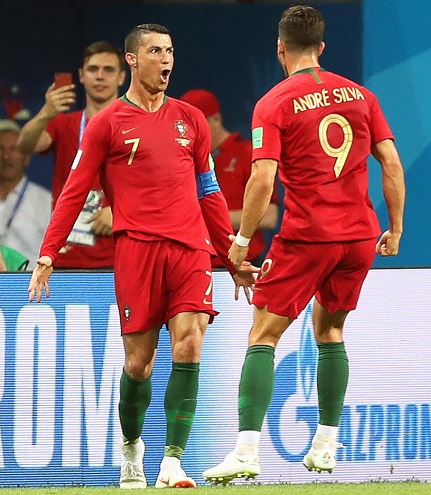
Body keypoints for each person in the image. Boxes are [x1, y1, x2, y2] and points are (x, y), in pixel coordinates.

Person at [26, 24, 252, 489]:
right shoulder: (108, 123)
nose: (165, 59)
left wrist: (231, 255)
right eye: (155, 51)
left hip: (190, 249)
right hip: (137, 251)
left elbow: (209, 193)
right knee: (138, 365)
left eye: (169, 51)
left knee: (189, 342)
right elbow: (73, 192)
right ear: (133, 59)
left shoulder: (190, 119)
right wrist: (49, 251)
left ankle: (173, 460)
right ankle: (132, 449)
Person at [202, 5, 405, 483]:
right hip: (357, 235)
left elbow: (261, 177)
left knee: (263, 336)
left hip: (308, 234)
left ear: (280, 48)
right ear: (321, 47)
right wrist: (394, 229)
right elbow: (391, 164)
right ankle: (327, 446)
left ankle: (247, 452)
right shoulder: (361, 95)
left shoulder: (273, 102)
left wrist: (242, 240)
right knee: (331, 332)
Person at [17, 40, 126, 269]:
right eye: (92, 69)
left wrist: (121, 212)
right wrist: (46, 113)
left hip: (120, 256)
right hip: (67, 256)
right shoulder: (64, 124)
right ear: (81, 75)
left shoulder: (137, 126)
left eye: (108, 70)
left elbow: (155, 187)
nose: (100, 76)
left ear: (121, 78)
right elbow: (25, 145)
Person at [179, 89, 279, 265]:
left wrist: (207, 219)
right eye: (185, 127)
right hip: (194, 264)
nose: (191, 133)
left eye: (196, 125)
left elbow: (269, 216)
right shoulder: (182, 160)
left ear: (216, 119)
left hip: (243, 264)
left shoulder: (246, 152)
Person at [0, 119, 52, 265]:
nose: (5, 156)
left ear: (26, 158)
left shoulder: (45, 202)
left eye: (13, 149)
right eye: (0, 149)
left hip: (27, 284)